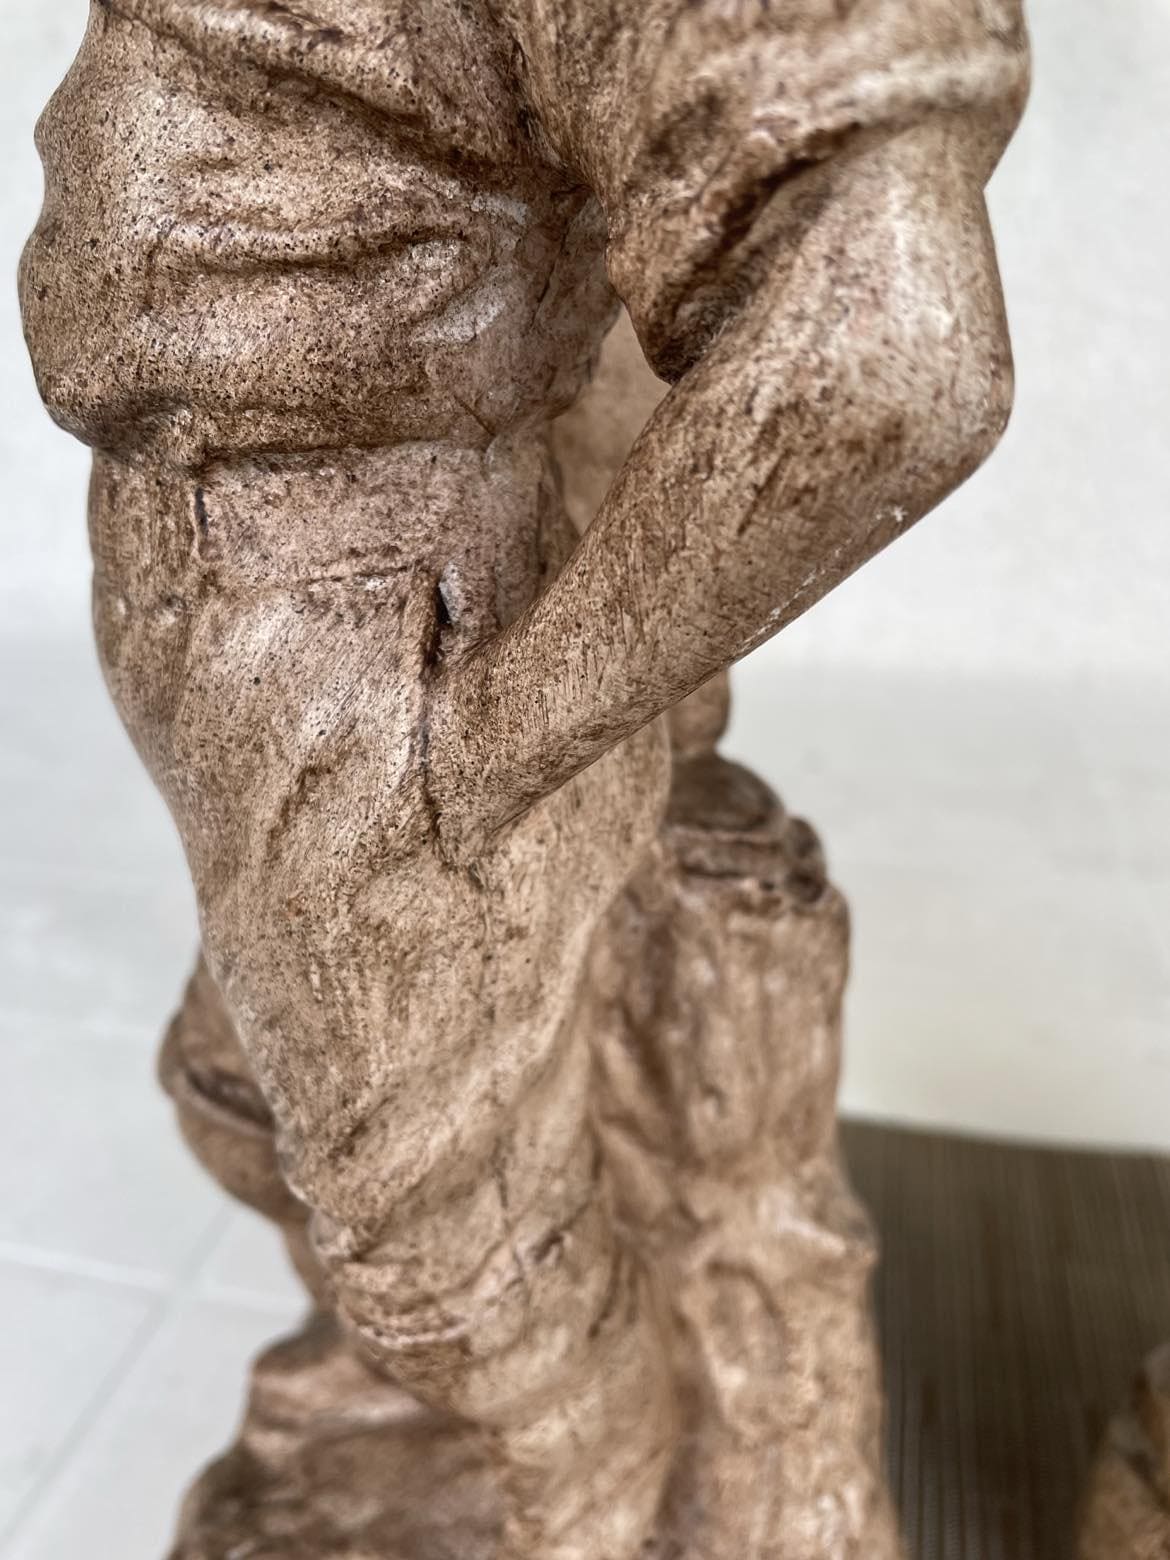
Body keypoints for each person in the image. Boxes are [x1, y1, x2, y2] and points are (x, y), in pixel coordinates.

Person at [20, 2, 1028, 1555]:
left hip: (382, 612)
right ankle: (449, 1421)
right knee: (239, 1104)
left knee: (451, 1270)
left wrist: (497, 748)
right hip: (233, 616)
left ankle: (588, 1505)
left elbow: (888, 344)